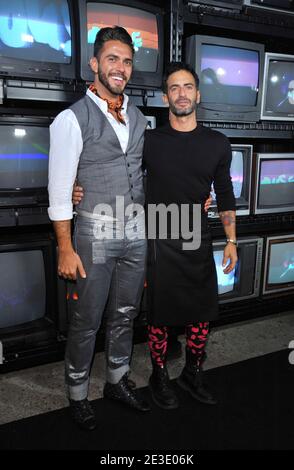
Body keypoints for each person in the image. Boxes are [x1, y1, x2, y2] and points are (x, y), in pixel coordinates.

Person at [48, 26, 151, 431]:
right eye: (112, 58)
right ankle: (77, 393)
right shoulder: (71, 119)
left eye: (126, 61)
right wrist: (64, 247)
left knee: (126, 313)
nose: (120, 67)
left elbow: (143, 171)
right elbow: (59, 189)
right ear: (94, 64)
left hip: (137, 231)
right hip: (94, 232)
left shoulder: (140, 116)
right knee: (87, 319)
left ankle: (116, 380)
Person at [143, 62, 238, 410]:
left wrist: (231, 241)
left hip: (198, 237)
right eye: (174, 88)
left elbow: (225, 196)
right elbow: (122, 179)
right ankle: (159, 375)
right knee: (160, 317)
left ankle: (192, 372)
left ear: (198, 94)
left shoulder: (217, 143)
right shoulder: (149, 141)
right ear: (166, 96)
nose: (181, 93)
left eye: (187, 87)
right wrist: (80, 189)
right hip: (159, 238)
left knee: (201, 315)